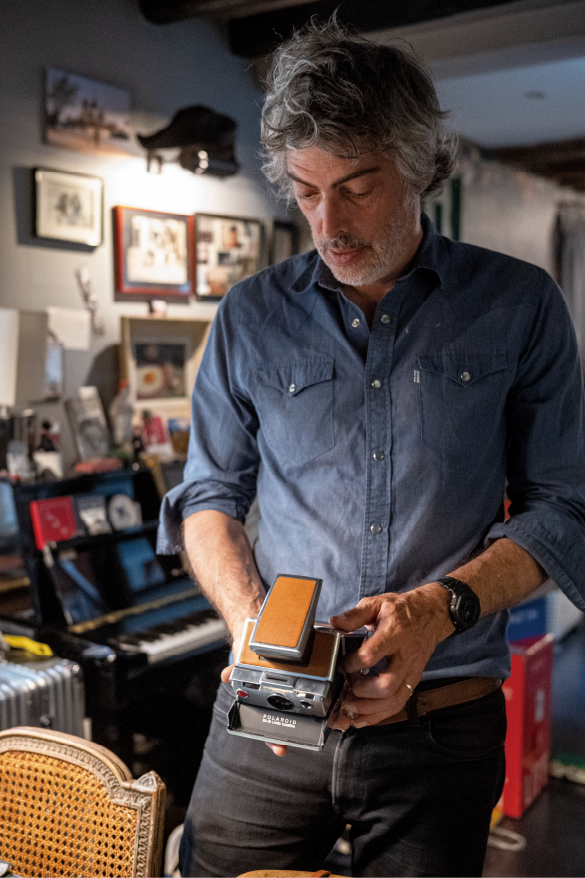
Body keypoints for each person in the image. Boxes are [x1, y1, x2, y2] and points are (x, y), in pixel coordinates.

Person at [157, 18, 585, 878]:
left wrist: (436, 611)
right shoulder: (250, 315)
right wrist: (252, 631)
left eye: (357, 186)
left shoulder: (520, 305)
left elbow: (564, 508)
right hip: (269, 714)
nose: (329, 222)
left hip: (442, 721)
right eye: (308, 191)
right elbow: (208, 496)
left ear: (423, 167)